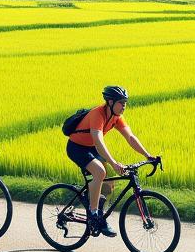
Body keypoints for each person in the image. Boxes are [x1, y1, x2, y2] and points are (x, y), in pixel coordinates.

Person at [65, 85, 156, 237]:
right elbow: (99, 141)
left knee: (108, 185)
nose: (124, 106)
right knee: (100, 172)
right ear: (110, 102)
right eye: (121, 102)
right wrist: (113, 162)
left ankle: (100, 216)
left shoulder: (117, 117)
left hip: (91, 147)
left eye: (125, 102)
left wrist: (148, 155)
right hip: (77, 147)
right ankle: (93, 214)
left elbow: (131, 138)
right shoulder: (97, 114)